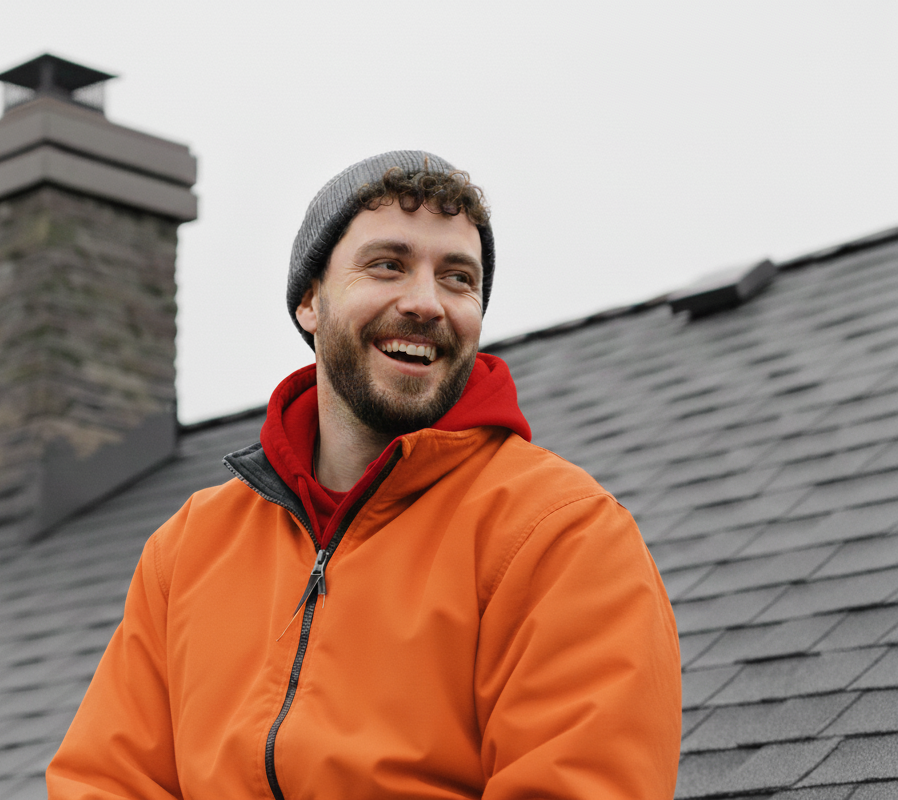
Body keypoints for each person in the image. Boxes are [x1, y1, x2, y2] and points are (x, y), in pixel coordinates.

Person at [46, 151, 681, 799]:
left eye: (459, 278)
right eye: (388, 265)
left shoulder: (563, 536)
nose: (427, 303)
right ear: (309, 302)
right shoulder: (188, 551)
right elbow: (104, 782)